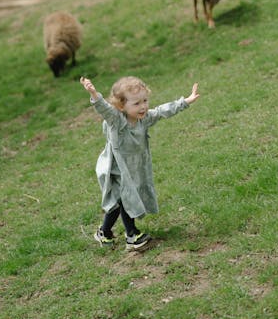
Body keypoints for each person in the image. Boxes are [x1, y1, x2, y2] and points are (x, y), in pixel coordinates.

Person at [80, 75, 200, 251]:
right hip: (117, 168)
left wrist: (186, 101)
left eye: (145, 100)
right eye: (136, 103)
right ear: (121, 105)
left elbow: (161, 111)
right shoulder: (117, 120)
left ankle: (104, 232)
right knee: (127, 197)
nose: (143, 106)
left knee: (119, 201)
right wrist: (94, 94)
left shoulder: (144, 118)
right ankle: (132, 235)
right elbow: (103, 108)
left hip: (134, 167)